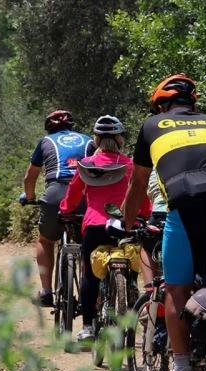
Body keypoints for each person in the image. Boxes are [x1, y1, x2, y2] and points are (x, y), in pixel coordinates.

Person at [121, 73, 206, 371]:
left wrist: (126, 220)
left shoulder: (152, 126)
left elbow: (138, 184)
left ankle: (180, 368)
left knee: (177, 290)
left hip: (187, 201)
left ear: (161, 104)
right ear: (192, 102)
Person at [59, 115, 151, 340]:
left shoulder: (87, 165)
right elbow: (142, 199)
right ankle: (129, 302)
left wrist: (66, 210)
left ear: (97, 139)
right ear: (120, 139)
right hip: (124, 226)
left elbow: (72, 195)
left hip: (94, 226)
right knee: (131, 267)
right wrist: (145, 215)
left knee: (90, 274)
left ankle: (88, 326)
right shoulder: (130, 165)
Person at [20, 109, 96, 307]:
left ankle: (46, 292)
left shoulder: (46, 142)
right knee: (89, 242)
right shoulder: (88, 140)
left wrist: (29, 197)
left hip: (56, 193)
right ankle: (95, 293)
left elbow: (30, 176)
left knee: (45, 240)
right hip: (85, 195)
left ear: (49, 128)